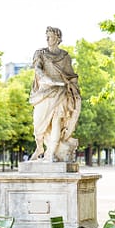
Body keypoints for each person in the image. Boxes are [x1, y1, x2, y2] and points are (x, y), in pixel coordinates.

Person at [29, 26, 81, 162]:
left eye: (50, 36)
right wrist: (46, 79)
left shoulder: (64, 57)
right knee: (37, 125)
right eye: (46, 36)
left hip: (60, 92)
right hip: (44, 92)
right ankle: (40, 147)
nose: (47, 39)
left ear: (57, 39)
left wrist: (73, 88)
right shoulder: (40, 53)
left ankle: (51, 152)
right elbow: (37, 68)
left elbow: (71, 75)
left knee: (57, 121)